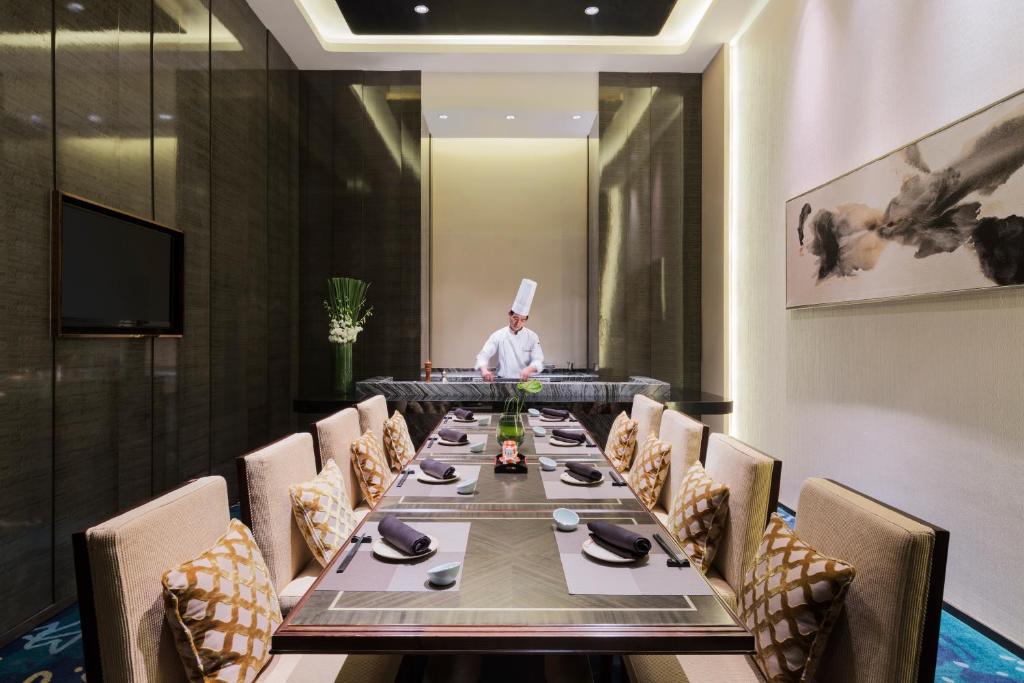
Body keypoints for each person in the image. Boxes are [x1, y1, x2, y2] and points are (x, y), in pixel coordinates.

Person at [474, 278, 544, 381]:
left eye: (522, 320)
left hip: (525, 383)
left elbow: (538, 360)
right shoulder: (498, 335)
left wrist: (529, 369)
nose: (518, 323)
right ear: (509, 315)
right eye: (515, 318)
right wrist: (484, 371)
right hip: (503, 383)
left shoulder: (532, 337)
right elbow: (482, 356)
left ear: (526, 320)